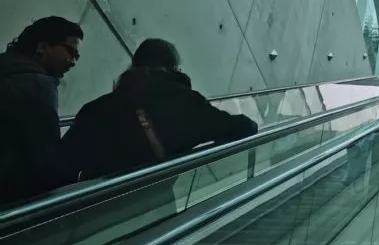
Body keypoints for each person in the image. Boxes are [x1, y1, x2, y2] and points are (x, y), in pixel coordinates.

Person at [62, 39, 257, 180]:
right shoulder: (183, 102)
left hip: (90, 204)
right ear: (172, 68)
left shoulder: (98, 107)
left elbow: (65, 160)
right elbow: (242, 127)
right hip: (152, 203)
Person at [0, 17, 82, 204]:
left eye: (77, 57)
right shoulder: (40, 87)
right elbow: (44, 159)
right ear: (42, 47)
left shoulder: (6, 66)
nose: (73, 62)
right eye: (70, 52)